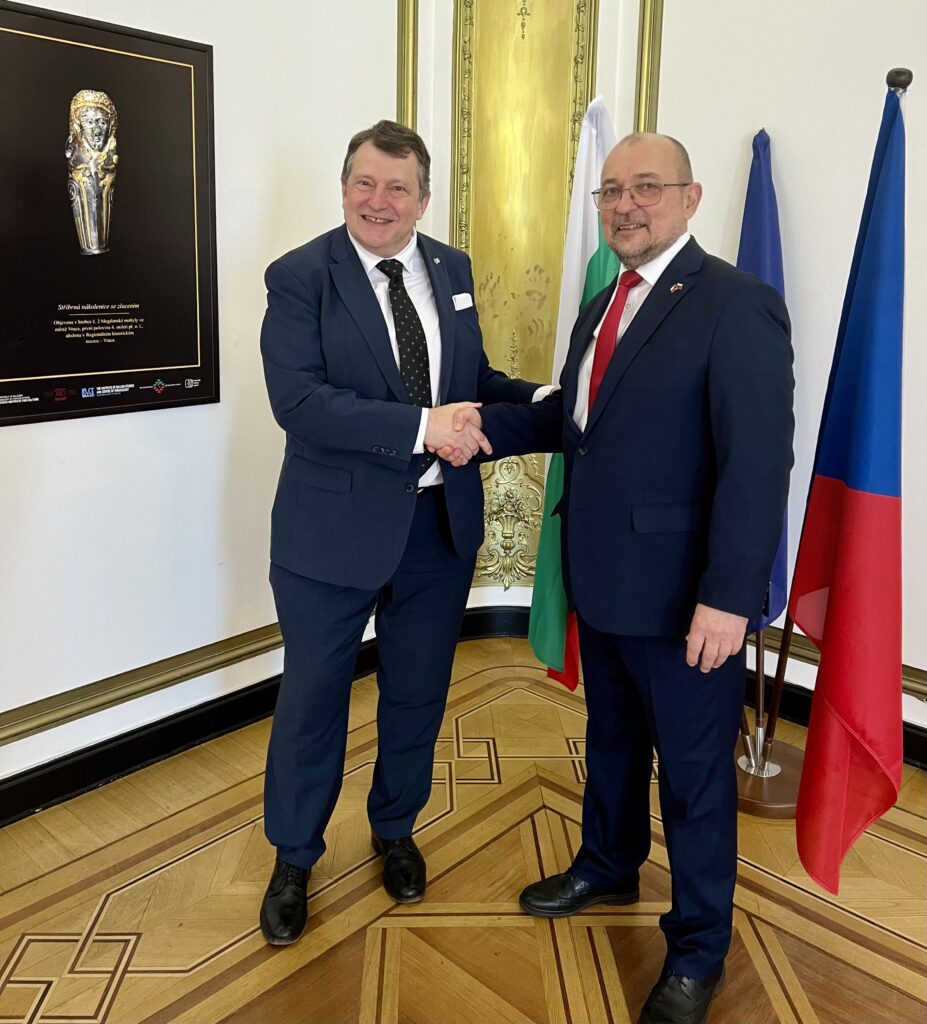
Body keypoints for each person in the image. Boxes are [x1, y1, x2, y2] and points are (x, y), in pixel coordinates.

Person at [460, 133, 794, 1024]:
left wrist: (727, 598)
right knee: (610, 745)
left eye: (646, 187)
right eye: (611, 191)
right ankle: (607, 867)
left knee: (692, 782)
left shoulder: (735, 303)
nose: (624, 205)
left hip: (687, 601)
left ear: (689, 197)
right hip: (602, 580)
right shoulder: (602, 301)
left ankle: (696, 951)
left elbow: (756, 465)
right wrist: (470, 427)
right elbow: (574, 424)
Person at [258, 119, 546, 946]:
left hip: (436, 530)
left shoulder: (450, 269)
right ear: (343, 186)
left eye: (396, 187)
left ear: (423, 199)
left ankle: (395, 829)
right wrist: (424, 427)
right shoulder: (300, 276)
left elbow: (470, 381)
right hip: (328, 535)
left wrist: (543, 401)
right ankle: (293, 858)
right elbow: (300, 403)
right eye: (363, 182)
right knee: (313, 701)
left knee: (417, 693)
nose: (377, 201)